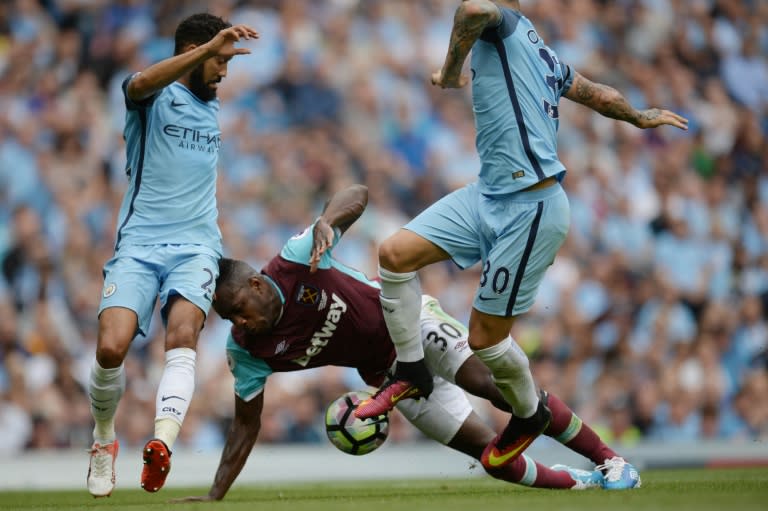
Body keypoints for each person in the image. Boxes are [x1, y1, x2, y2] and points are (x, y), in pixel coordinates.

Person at [355, 0, 687, 478]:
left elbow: (472, 11)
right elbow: (593, 92)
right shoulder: (541, 51)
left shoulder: (502, 24)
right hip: (487, 193)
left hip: (530, 208)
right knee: (394, 254)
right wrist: (636, 116)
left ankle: (530, 414)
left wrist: (450, 70)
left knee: (486, 341)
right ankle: (411, 370)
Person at [174, 184, 641, 502]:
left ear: (256, 284)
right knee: (493, 458)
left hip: (412, 324)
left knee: (498, 391)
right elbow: (244, 425)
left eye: (240, 308)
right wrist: (217, 493)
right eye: (229, 317)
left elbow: (358, 194)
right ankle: (585, 485)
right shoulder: (246, 350)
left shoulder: (297, 261)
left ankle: (613, 460)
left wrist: (326, 220)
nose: (239, 321)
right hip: (390, 377)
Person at [86, 13, 259, 497]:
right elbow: (139, 82)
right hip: (139, 247)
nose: (224, 72)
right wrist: (205, 52)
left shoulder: (212, 107)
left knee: (183, 337)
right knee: (109, 349)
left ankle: (161, 444)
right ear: (194, 54)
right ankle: (103, 440)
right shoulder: (152, 99)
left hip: (197, 248)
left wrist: (211, 56)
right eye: (218, 61)